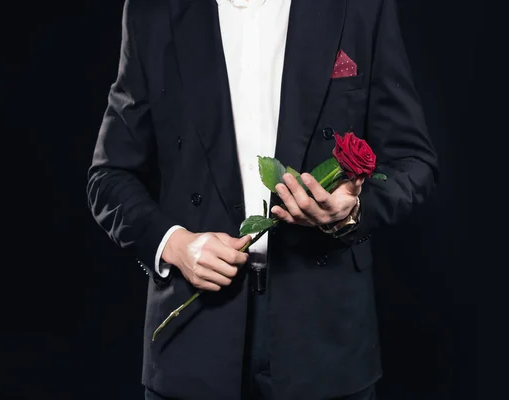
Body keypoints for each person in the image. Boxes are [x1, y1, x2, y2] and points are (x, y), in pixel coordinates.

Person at [86, 0, 438, 398]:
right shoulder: (153, 11)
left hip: (325, 340)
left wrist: (353, 211)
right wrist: (176, 244)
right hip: (194, 340)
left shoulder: (361, 7)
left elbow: (413, 160)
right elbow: (109, 176)